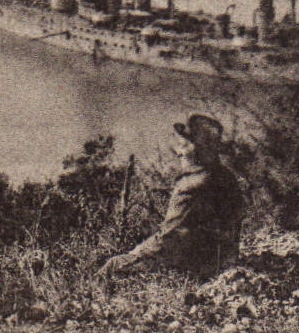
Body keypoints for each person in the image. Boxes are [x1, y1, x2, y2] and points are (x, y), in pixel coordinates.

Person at [98, 113, 244, 279]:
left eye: (183, 145)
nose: (178, 153)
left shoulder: (192, 185)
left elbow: (168, 237)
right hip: (223, 260)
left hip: (193, 267)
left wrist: (135, 254)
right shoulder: (227, 177)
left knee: (112, 266)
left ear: (198, 149)